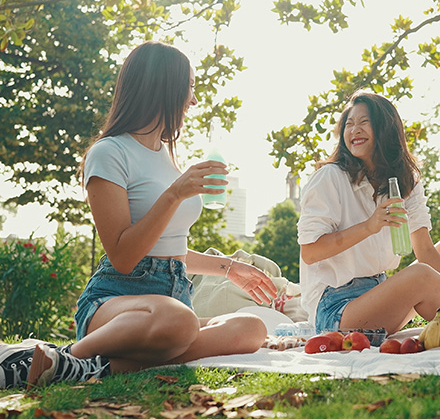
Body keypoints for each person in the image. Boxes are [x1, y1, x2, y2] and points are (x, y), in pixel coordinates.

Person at [1, 42, 276, 389]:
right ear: (164, 87)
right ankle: (72, 352)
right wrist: (175, 193)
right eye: (189, 87)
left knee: (250, 328)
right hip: (115, 303)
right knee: (180, 322)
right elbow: (125, 257)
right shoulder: (110, 153)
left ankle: (80, 367)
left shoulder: (165, 155)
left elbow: (166, 253)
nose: (193, 101)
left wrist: (230, 268)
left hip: (173, 302)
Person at [297, 91, 440, 335]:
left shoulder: (404, 180)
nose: (354, 130)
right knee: (423, 276)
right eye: (349, 124)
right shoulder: (330, 177)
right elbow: (310, 251)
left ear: (385, 128)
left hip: (380, 295)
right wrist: (369, 226)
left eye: (364, 122)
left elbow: (423, 249)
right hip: (336, 310)